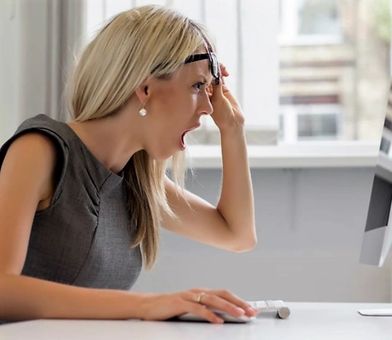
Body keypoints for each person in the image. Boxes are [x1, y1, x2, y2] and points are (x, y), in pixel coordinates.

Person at [0, 6, 258, 323]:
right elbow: (2, 290)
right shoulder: (40, 150)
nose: (208, 108)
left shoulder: (136, 181)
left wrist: (233, 131)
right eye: (196, 86)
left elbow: (237, 236)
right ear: (145, 89)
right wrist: (145, 305)